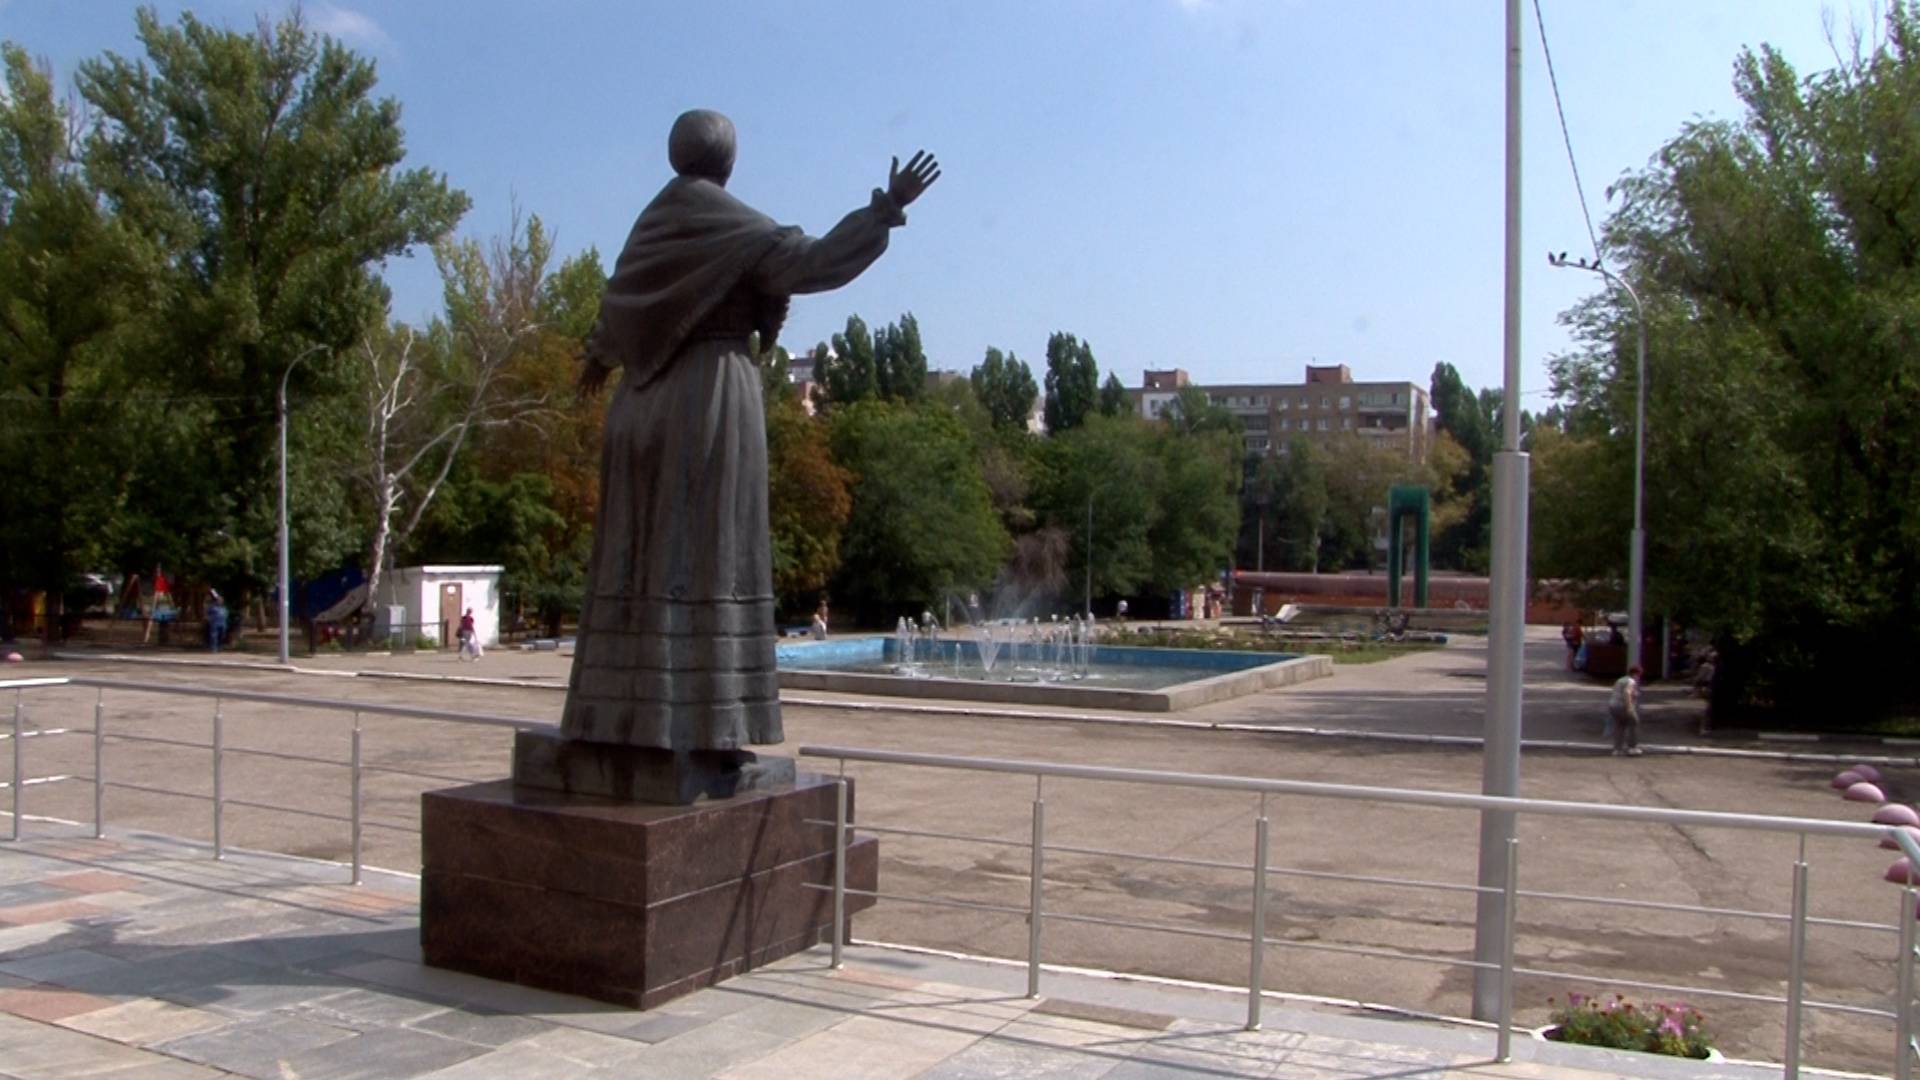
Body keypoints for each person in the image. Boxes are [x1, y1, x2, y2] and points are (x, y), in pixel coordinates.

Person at [561, 110, 938, 753]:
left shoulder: (651, 226)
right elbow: (814, 263)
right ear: (729, 162)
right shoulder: (734, 227)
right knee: (712, 553)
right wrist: (886, 209)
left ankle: (624, 718)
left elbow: (617, 315)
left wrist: (599, 357)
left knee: (642, 559)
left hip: (638, 407)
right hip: (707, 398)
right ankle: (707, 724)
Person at [1609, 664, 1644, 757]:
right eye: (1639, 675)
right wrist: (1629, 707)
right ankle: (1632, 747)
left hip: (1613, 705)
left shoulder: (1620, 680)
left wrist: (1634, 693)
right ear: (1636, 674)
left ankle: (1617, 749)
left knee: (1620, 725)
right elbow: (1627, 692)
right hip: (1622, 706)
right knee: (1634, 722)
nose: (1639, 677)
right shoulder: (1631, 681)